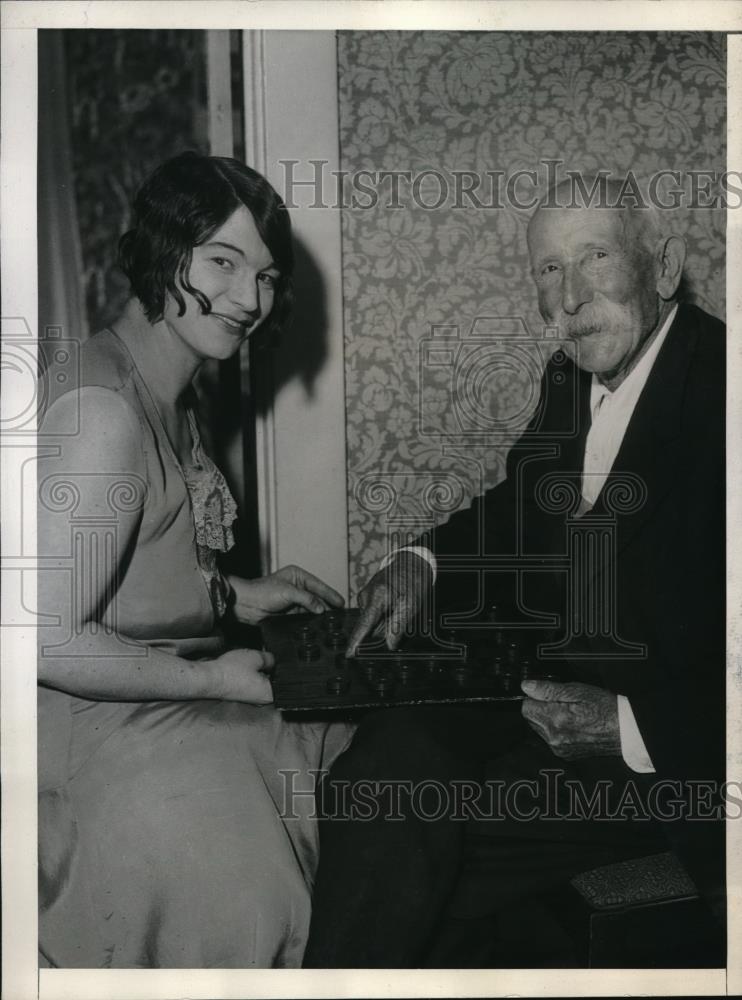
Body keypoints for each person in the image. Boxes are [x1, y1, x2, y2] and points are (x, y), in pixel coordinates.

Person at [303, 177, 726, 967]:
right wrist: (419, 560)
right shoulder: (571, 378)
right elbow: (516, 506)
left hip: (677, 763)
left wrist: (626, 726)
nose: (567, 299)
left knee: (405, 842)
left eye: (595, 256)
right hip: (547, 707)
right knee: (388, 762)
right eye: (548, 270)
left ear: (662, 267)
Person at [36, 151, 355, 968]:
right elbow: (45, 639)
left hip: (143, 707)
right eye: (223, 261)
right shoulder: (103, 414)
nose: (251, 299)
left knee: (363, 739)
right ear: (162, 253)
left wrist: (241, 596)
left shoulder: (169, 386)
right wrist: (212, 678)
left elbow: (135, 574)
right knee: (258, 900)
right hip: (84, 750)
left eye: (268, 275)